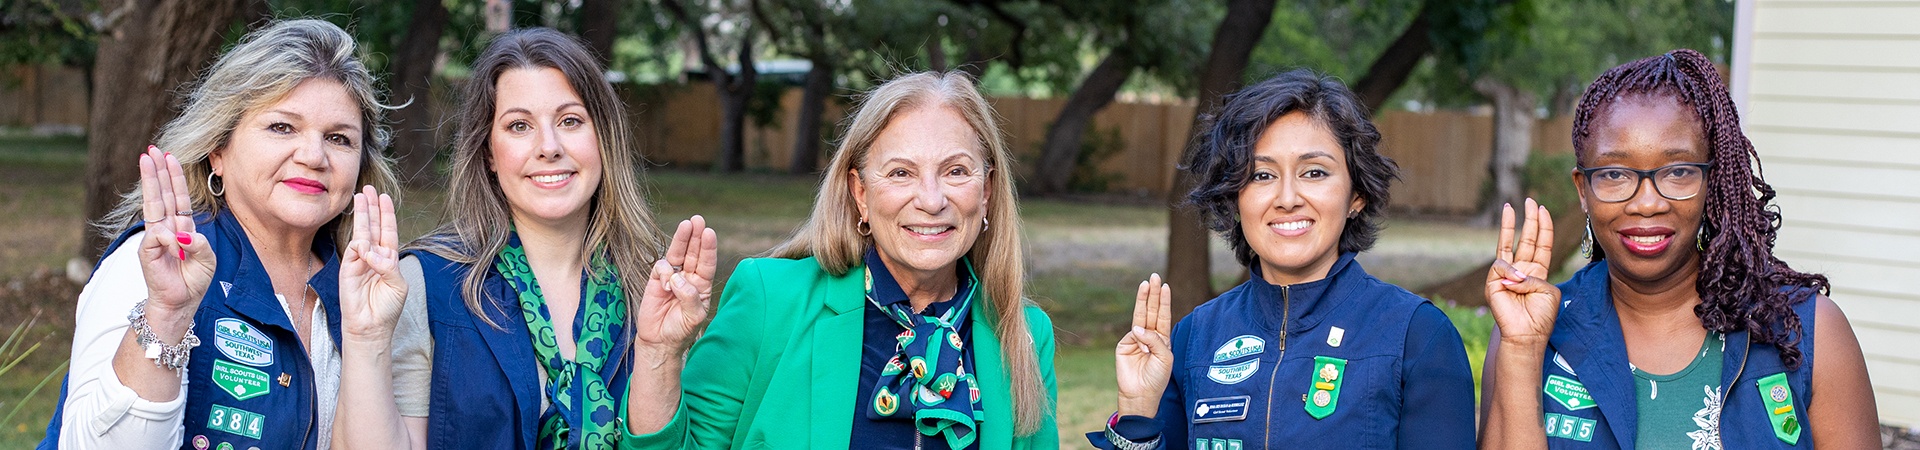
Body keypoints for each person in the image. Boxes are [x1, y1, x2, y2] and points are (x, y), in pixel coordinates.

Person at [619, 71, 1058, 450]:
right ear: (860, 193)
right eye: (901, 172)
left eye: (956, 171)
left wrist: (1131, 419)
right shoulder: (771, 300)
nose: (931, 199)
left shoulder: (1022, 335)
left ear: (986, 193)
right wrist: (659, 354)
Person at [328, 28, 717, 450]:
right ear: (489, 153)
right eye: (519, 126)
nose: (548, 147)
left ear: (603, 139)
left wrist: (659, 353)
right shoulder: (423, 285)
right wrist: (366, 339)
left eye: (570, 121)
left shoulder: (653, 288)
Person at [1478, 50, 1881, 449]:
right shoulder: (1527, 333)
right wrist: (1520, 354)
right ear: (1583, 190)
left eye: (1678, 171)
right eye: (1615, 174)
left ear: (1712, 183)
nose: (1647, 202)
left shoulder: (1808, 330)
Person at [38, 19, 401, 450]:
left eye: (339, 138)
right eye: (282, 127)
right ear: (218, 151)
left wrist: (367, 338)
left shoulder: (361, 289)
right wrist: (166, 316)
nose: (314, 156)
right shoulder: (155, 264)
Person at [1090, 69, 1476, 450]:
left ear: (1356, 195)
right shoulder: (1193, 339)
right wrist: (1138, 410)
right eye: (1261, 175)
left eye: (1314, 172)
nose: (1287, 198)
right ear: (1234, 198)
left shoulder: (1418, 336)